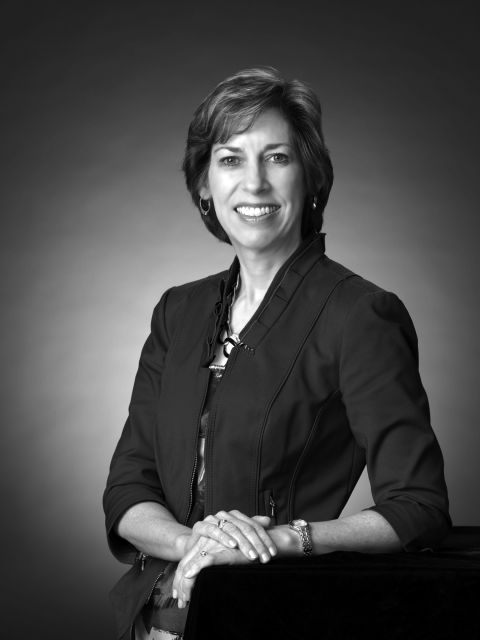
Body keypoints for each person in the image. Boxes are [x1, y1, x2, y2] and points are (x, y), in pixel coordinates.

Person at [103, 67, 451, 640]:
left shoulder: (360, 314)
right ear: (203, 186)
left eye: (278, 158)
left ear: (311, 179)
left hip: (271, 616)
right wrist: (199, 547)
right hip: (154, 622)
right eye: (231, 159)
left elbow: (418, 506)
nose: (255, 183)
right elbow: (127, 490)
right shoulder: (178, 312)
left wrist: (279, 539)